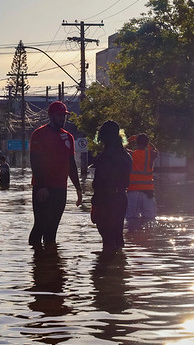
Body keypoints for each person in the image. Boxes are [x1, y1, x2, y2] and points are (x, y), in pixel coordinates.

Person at [29, 101, 82, 247]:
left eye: (64, 116)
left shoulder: (68, 137)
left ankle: (51, 265)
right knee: (40, 226)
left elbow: (71, 164)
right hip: (43, 188)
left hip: (60, 189)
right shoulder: (39, 134)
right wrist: (41, 186)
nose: (62, 119)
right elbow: (35, 162)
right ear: (51, 116)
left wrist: (78, 189)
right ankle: (36, 263)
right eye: (60, 115)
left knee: (52, 231)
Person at [90, 121, 132, 250]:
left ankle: (107, 267)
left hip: (105, 200)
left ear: (102, 136)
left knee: (107, 239)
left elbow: (99, 183)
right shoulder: (126, 156)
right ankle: (120, 266)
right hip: (121, 198)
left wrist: (95, 204)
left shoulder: (105, 157)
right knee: (118, 236)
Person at [126, 133, 159, 226]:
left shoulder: (131, 154)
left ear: (136, 143)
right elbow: (155, 150)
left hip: (133, 192)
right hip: (148, 193)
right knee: (150, 221)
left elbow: (120, 148)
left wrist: (130, 138)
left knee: (131, 220)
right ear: (146, 144)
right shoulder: (151, 155)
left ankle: (132, 240)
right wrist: (148, 143)